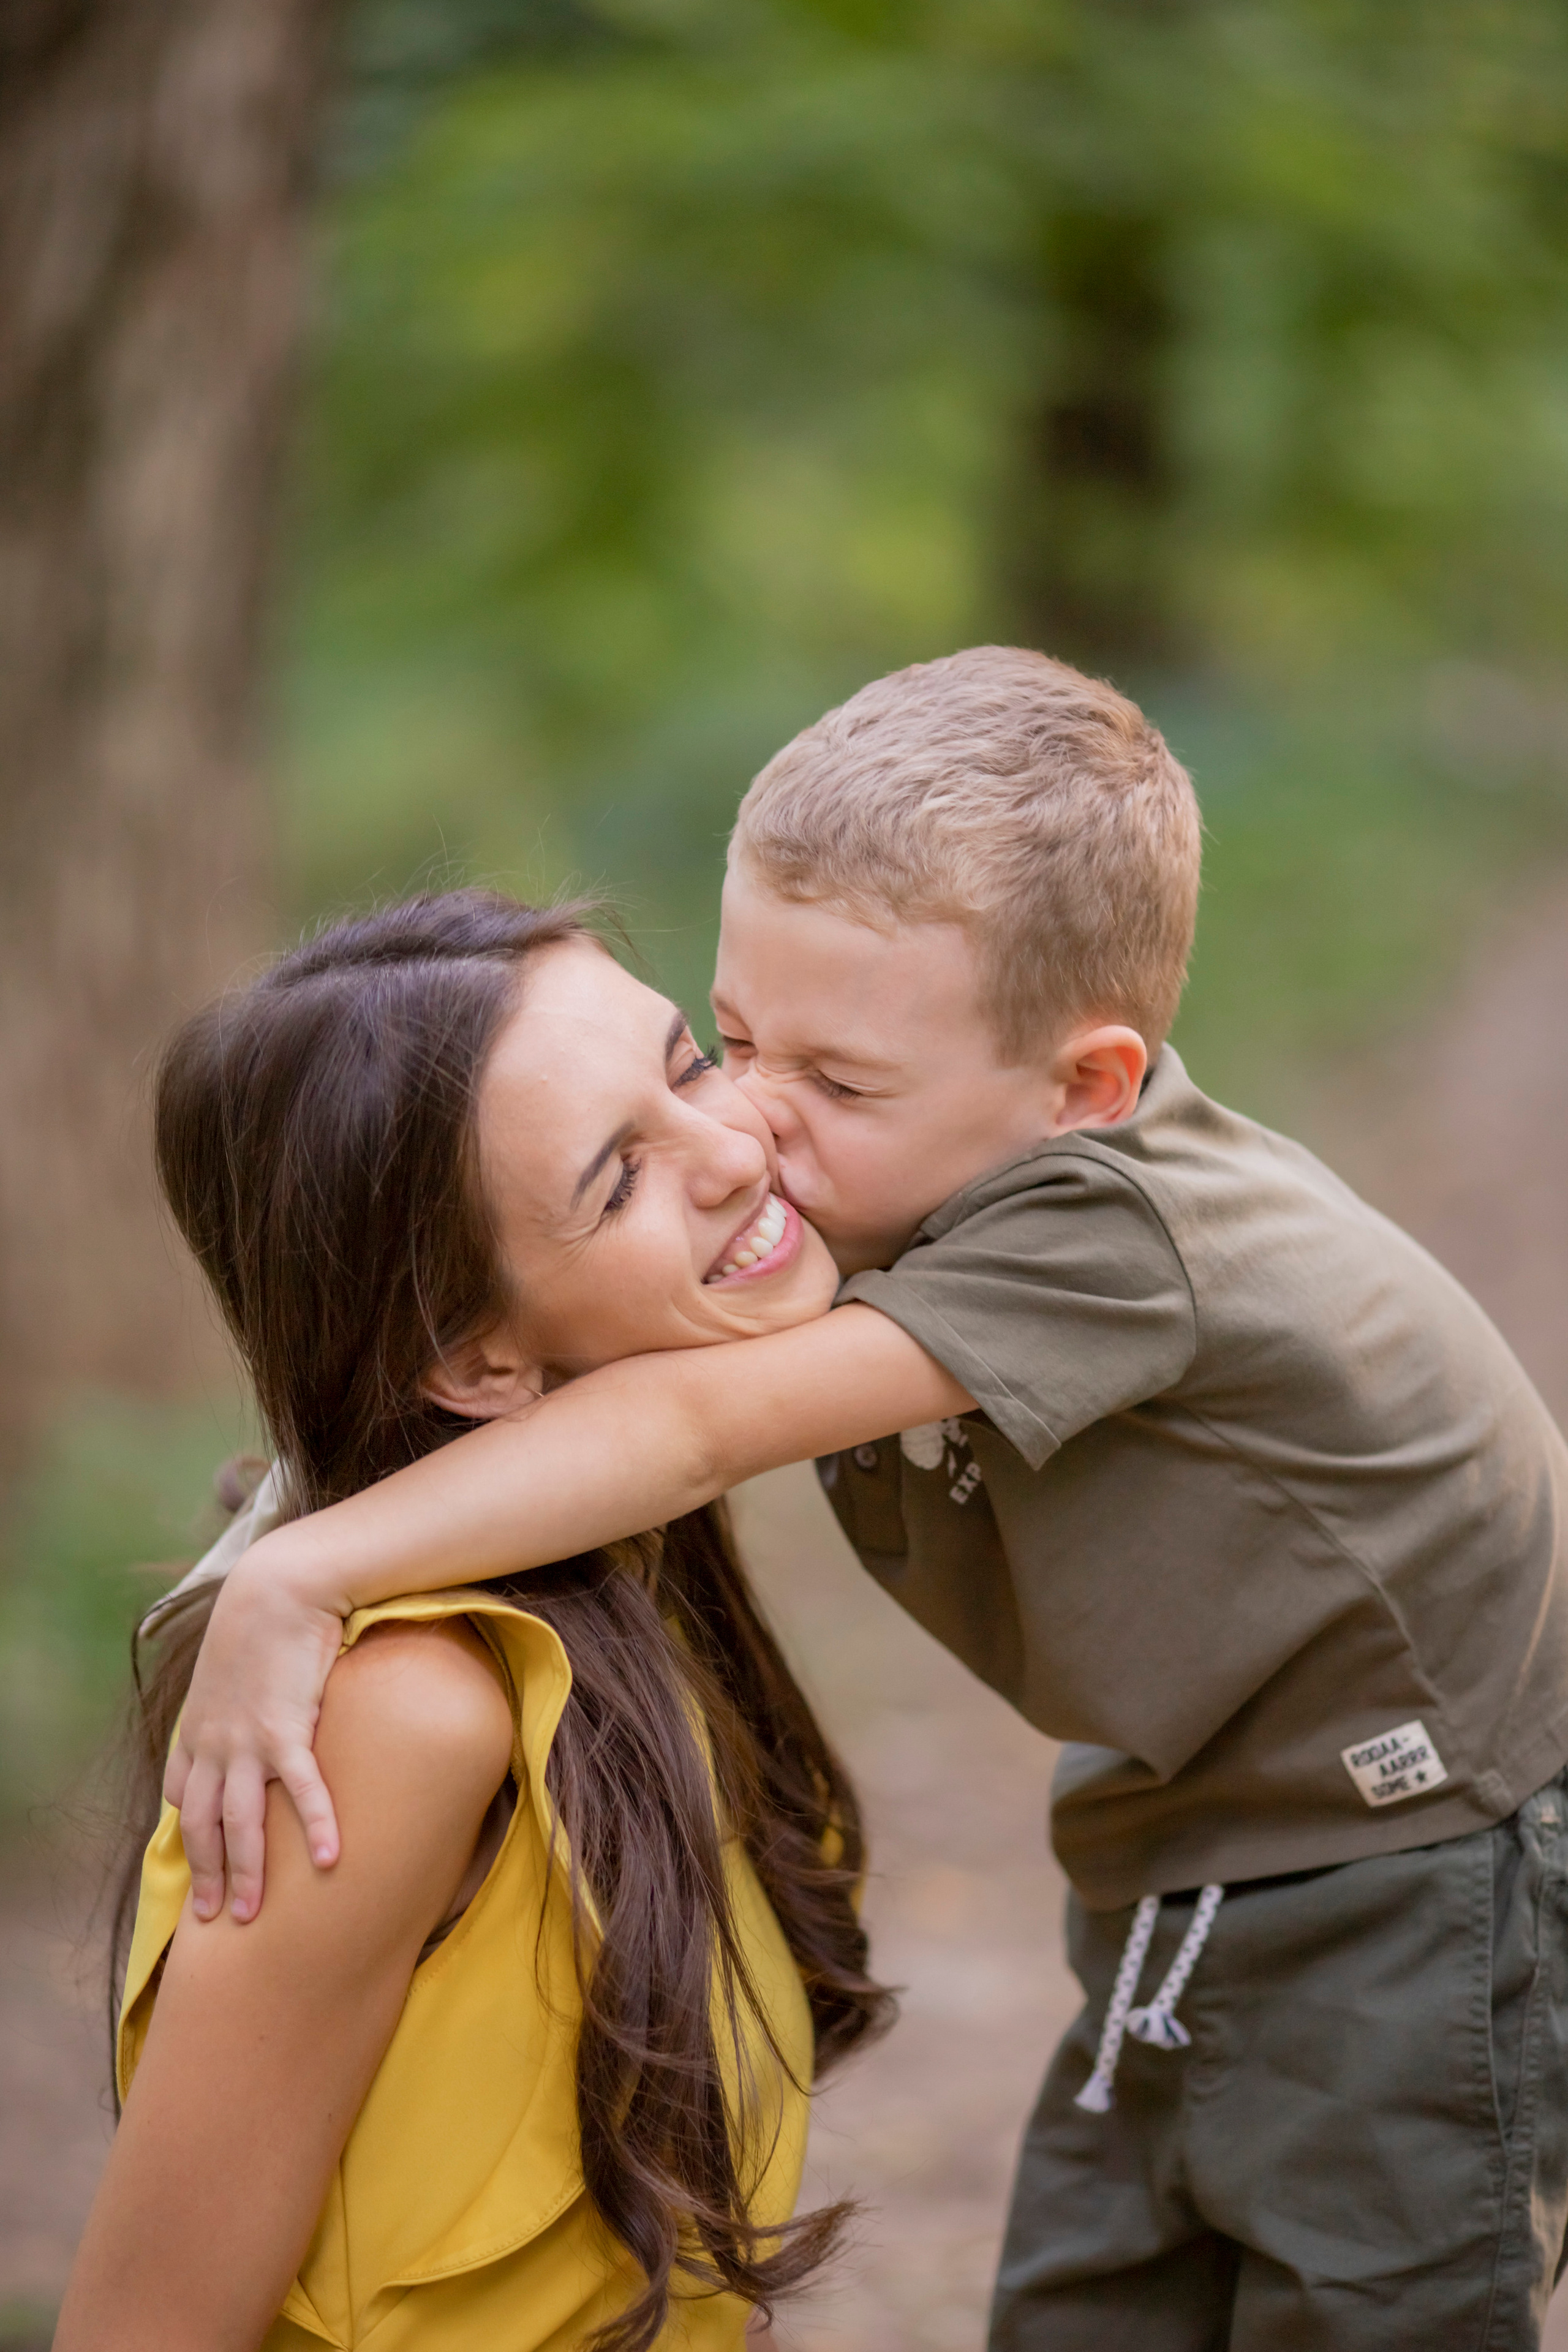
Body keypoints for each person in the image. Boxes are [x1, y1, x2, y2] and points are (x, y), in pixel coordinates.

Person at [170, 649, 1568, 2348]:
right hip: (1195, 1842)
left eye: (832, 1086)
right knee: (1093, 2294)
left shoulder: (1105, 1226)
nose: (755, 1126)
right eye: (735, 1038)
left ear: (1084, 1090)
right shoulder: (894, 1181)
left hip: (1416, 1849)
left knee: (1370, 2297)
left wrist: (297, 1575)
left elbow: (690, 1428)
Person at [55, 892, 892, 2352]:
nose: (734, 1148)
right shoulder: (407, 1711)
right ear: (472, 1356)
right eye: (615, 1179)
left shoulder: (634, 1571)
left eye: (687, 1063)